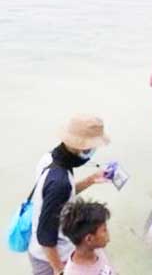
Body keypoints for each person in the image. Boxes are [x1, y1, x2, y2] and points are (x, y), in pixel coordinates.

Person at [28, 115, 110, 275]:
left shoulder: (50, 159)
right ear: (83, 148)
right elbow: (45, 236)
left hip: (40, 249)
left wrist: (91, 180)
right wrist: (59, 270)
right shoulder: (60, 182)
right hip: (50, 258)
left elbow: (59, 196)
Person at [60, 199, 116, 275]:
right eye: (104, 230)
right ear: (89, 239)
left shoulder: (98, 251)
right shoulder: (74, 273)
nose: (108, 235)